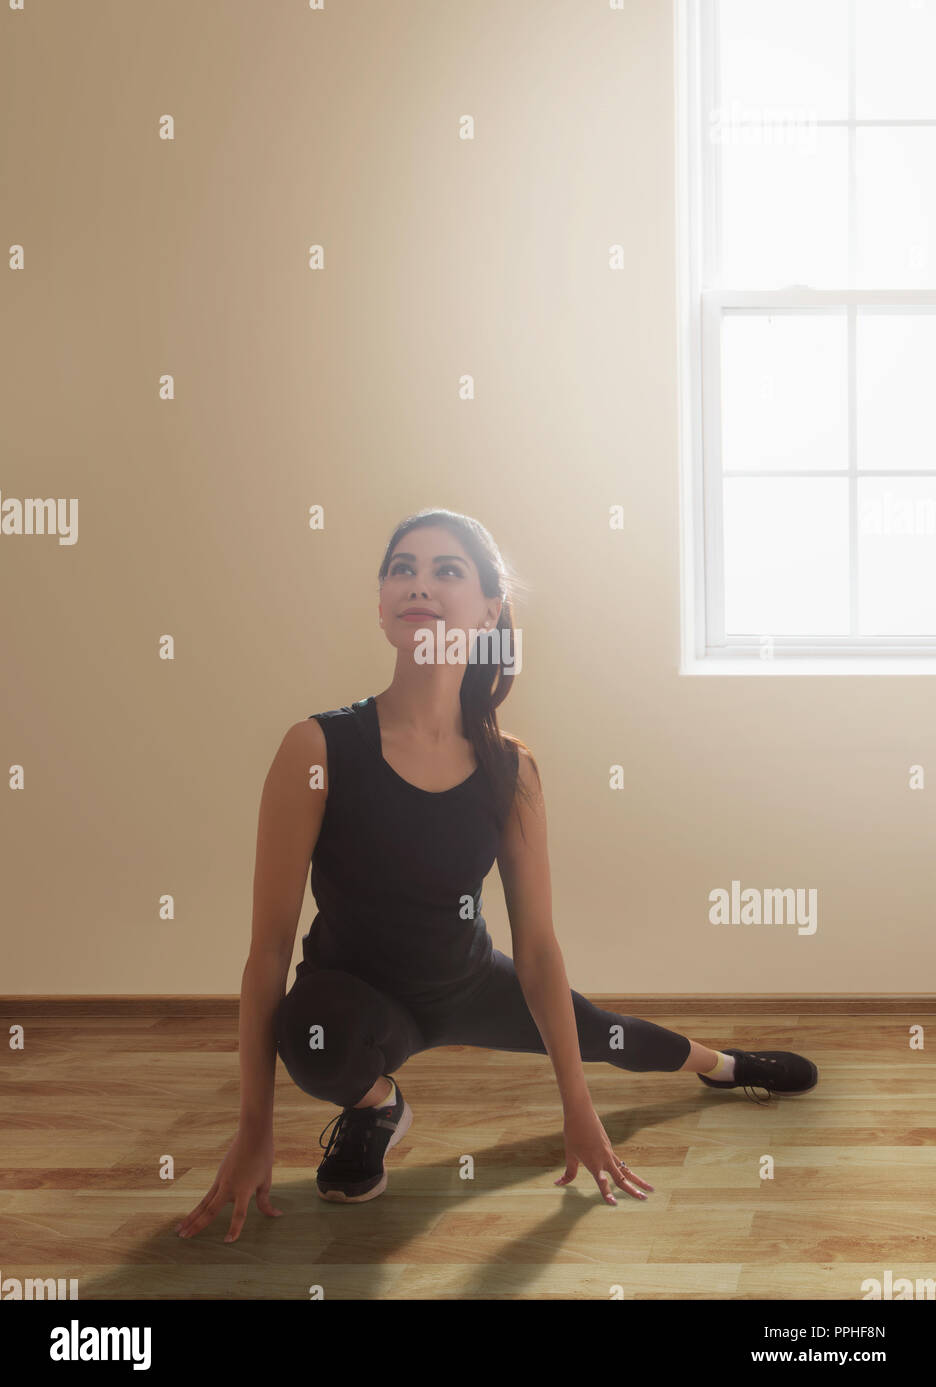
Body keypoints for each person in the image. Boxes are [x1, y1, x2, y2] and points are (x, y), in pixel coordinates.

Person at [176, 508, 818, 1243]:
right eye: (401, 568)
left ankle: (726, 1066)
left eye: (446, 570)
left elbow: (538, 947)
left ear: (487, 611)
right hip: (356, 997)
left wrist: (579, 1110)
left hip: (468, 980)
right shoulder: (315, 750)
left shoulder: (510, 768)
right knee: (310, 1033)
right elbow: (266, 954)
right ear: (383, 610)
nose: (418, 583)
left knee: (601, 1035)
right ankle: (377, 1107)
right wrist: (252, 1130)